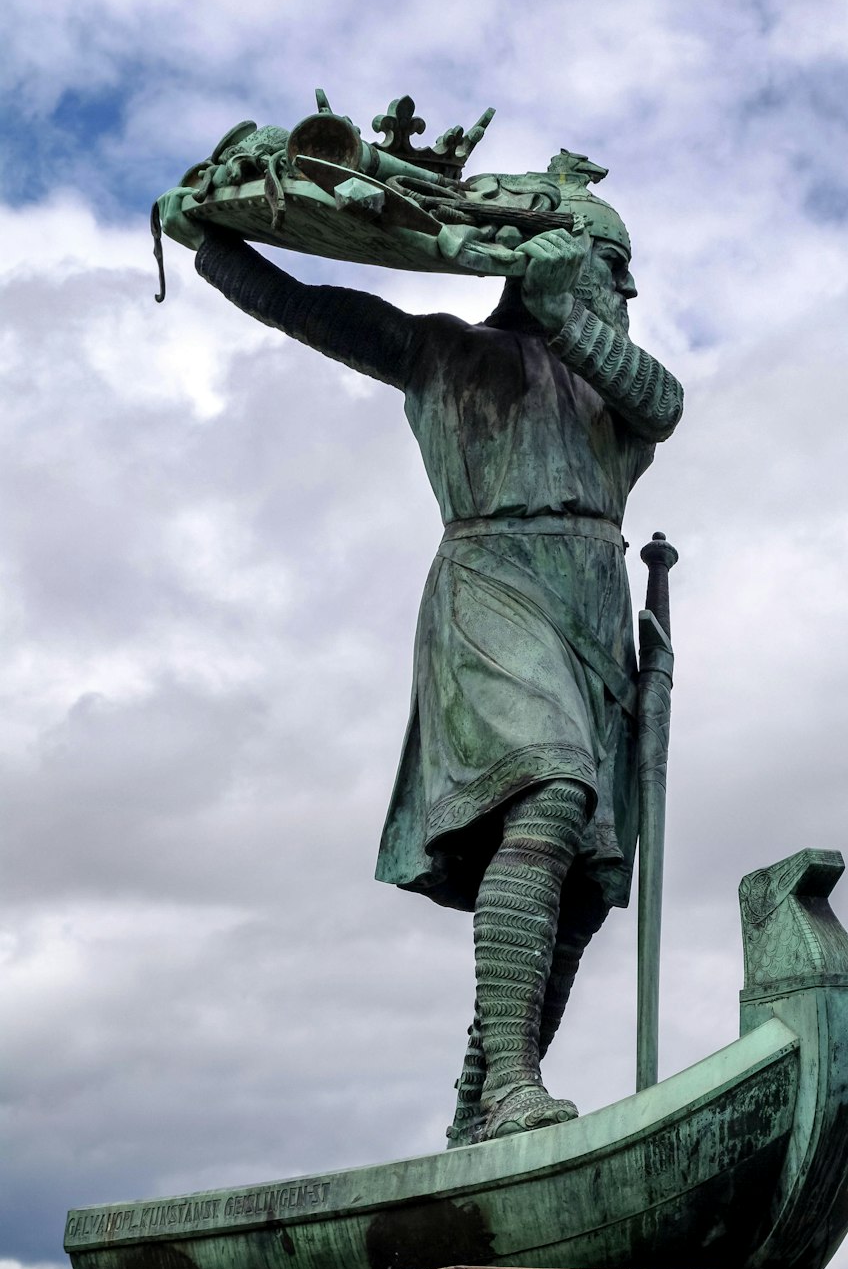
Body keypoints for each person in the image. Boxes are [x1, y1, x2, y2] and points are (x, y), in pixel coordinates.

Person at [157, 172, 683, 1145]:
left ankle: (480, 1097)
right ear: (544, 260)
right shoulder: (448, 351)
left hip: (592, 601)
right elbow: (311, 309)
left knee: (583, 884)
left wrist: (568, 307)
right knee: (550, 792)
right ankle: (514, 1082)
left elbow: (665, 399)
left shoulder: (615, 392)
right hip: (493, 586)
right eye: (610, 265)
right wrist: (215, 248)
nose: (620, 290)